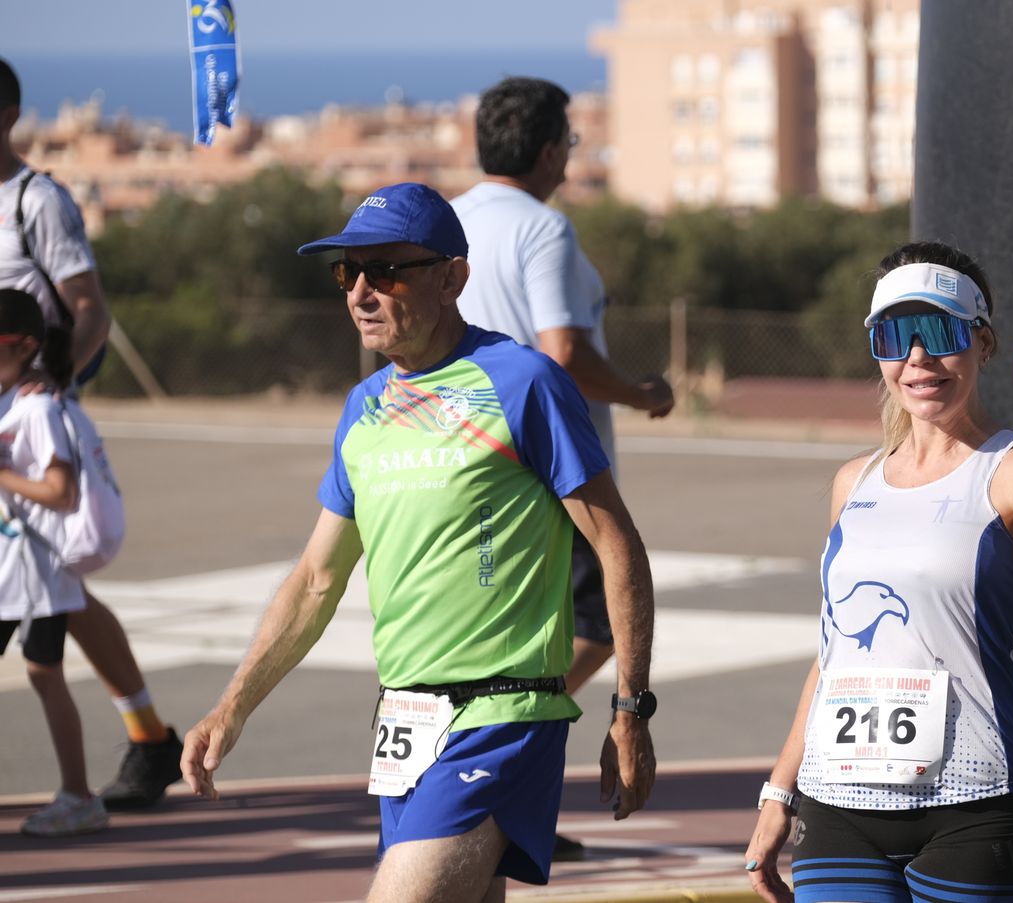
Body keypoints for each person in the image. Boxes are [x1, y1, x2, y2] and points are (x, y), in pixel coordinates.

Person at [180, 182, 658, 902]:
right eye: (348, 272)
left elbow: (616, 543)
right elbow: (316, 578)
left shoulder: (523, 382)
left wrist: (631, 708)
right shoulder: (364, 408)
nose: (363, 291)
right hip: (405, 724)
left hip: (503, 717)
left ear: (452, 278)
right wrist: (233, 704)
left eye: (387, 269)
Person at [742, 242, 1013, 903]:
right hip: (840, 809)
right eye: (894, 336)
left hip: (977, 805)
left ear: (982, 344)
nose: (916, 358)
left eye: (938, 333)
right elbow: (834, 653)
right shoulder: (851, 482)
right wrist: (779, 788)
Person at [452, 76, 674, 861]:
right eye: (569, 144)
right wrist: (641, 391)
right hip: (547, 472)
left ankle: (490, 793)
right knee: (594, 623)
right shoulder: (543, 231)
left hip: (462, 467)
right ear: (550, 151)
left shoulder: (452, 221)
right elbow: (565, 353)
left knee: (503, 636)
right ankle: (501, 762)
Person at [0, 55, 183, 809]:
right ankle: (147, 740)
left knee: (53, 590)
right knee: (60, 595)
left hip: (26, 418)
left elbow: (89, 307)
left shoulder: (35, 203)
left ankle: (129, 753)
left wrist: (54, 379)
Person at [0, 287, 107, 836]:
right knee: (45, 674)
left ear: (21, 347)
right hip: (13, 572)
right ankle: (78, 794)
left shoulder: (36, 407)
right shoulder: (14, 397)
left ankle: (78, 795)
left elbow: (60, 491)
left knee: (46, 674)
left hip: (31, 573)